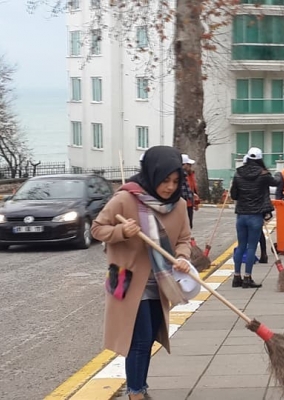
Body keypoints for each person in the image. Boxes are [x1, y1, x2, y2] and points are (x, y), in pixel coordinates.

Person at [91, 146, 193, 400]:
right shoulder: (126, 199)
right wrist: (122, 232)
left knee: (148, 340)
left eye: (175, 181)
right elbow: (97, 228)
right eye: (164, 180)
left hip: (161, 281)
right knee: (139, 339)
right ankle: (136, 393)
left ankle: (140, 387)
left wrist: (182, 257)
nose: (169, 187)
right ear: (152, 174)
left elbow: (184, 238)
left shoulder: (178, 205)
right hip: (126, 278)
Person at [230, 147, 278, 288]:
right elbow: (276, 182)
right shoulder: (263, 175)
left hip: (241, 216)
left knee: (241, 246)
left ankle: (236, 277)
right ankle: (247, 278)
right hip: (255, 216)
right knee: (251, 248)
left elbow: (234, 195)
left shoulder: (238, 173)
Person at [181, 154, 200, 229]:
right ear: (184, 165)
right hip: (182, 204)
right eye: (188, 164)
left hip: (189, 203)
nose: (190, 166)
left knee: (189, 225)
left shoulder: (191, 174)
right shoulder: (180, 176)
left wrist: (195, 202)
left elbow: (193, 189)